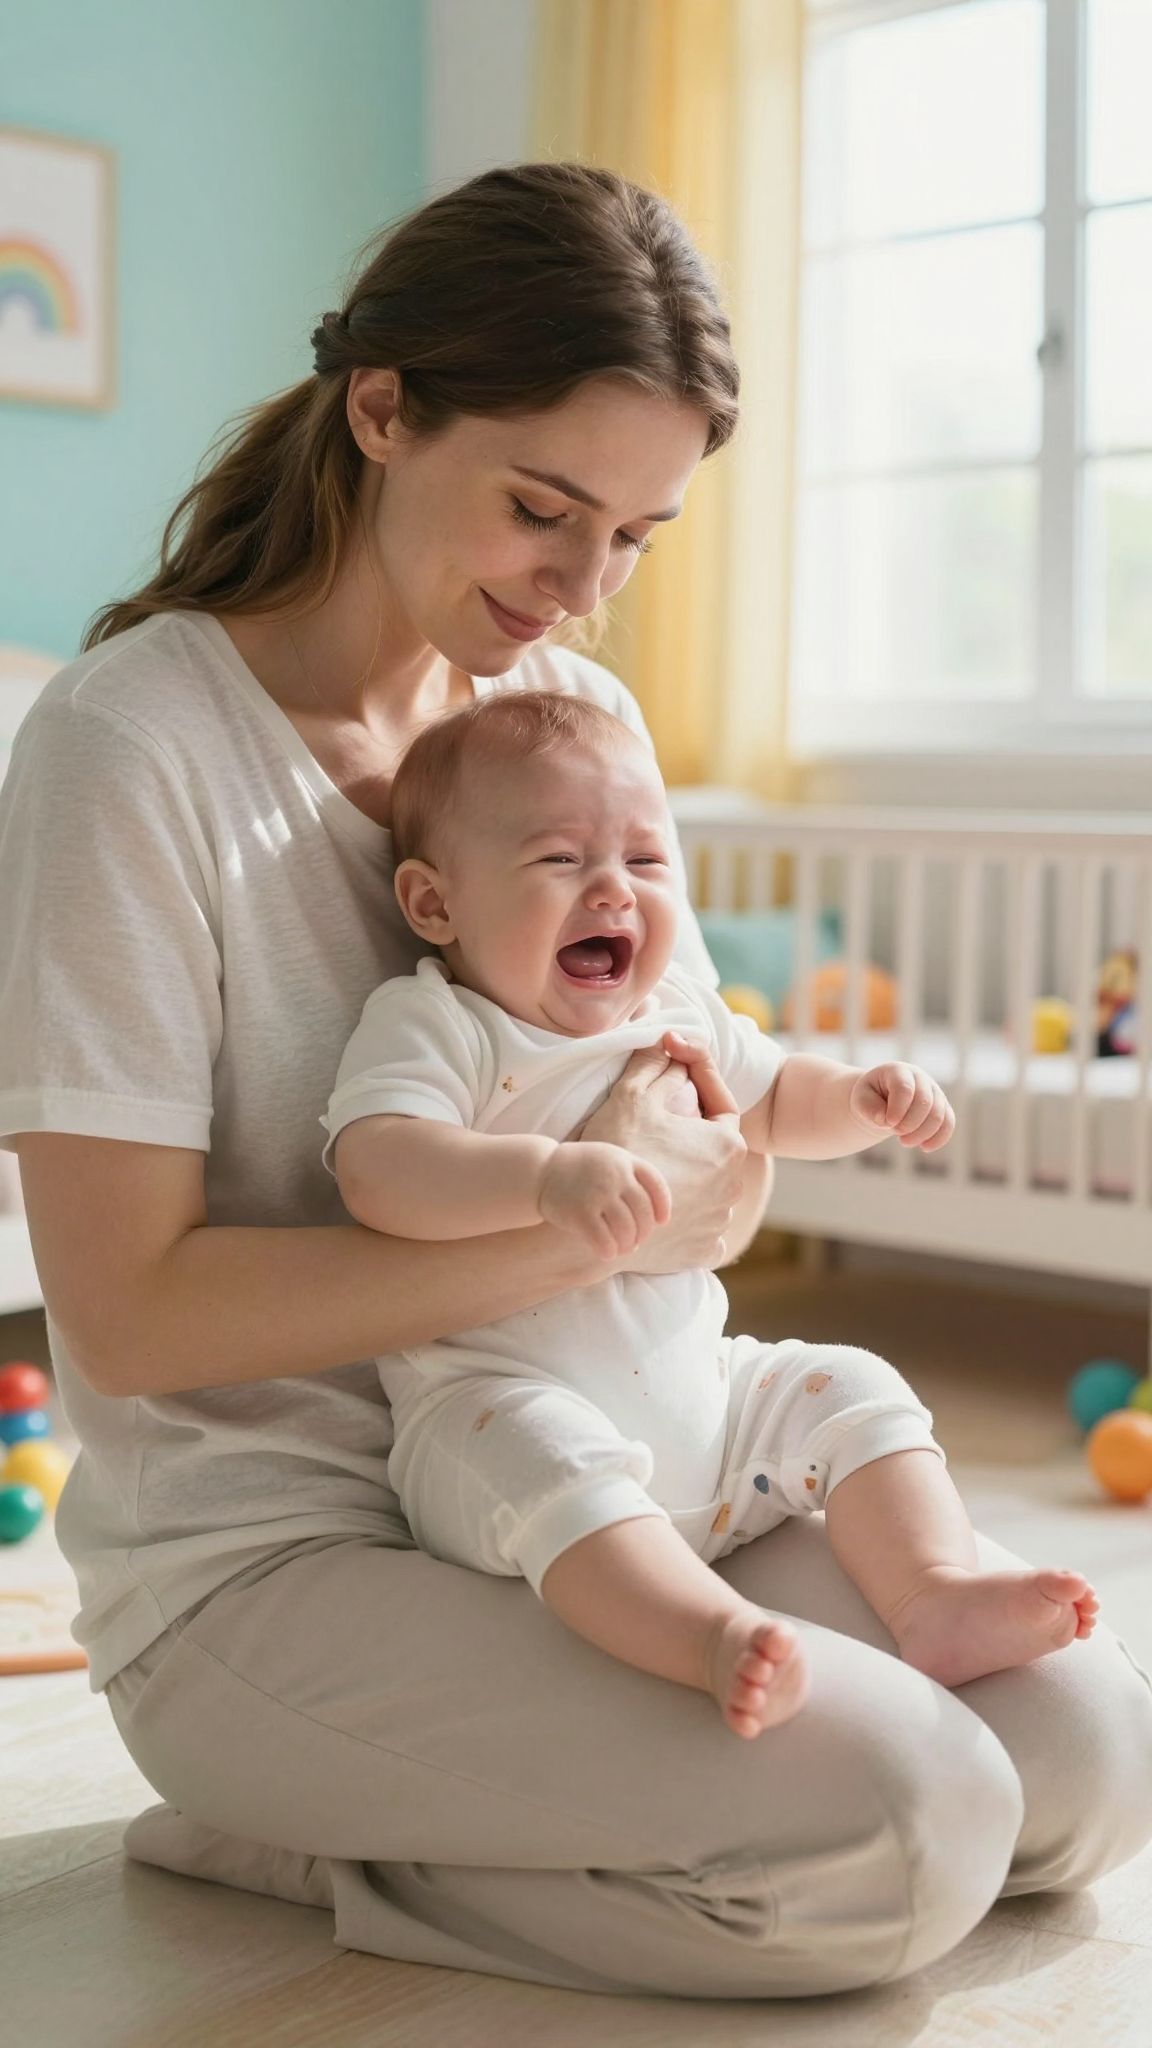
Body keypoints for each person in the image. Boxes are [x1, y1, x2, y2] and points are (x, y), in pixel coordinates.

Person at [0, 161, 1148, 2003]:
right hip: (280, 1557)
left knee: (1084, 1756)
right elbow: (128, 1319)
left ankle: (509, 1805)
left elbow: (714, 1159)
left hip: (632, 1480)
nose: (581, 586)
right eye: (544, 509)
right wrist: (568, 1225)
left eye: (634, 536)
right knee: (908, 1824)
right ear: (382, 409)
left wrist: (699, 1182)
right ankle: (290, 1820)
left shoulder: (571, 727)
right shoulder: (131, 750)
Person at [323, 688, 1098, 1741]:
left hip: (711, 1412)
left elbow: (776, 1098)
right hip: (501, 1400)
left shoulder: (676, 1010)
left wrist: (864, 1097)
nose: (613, 891)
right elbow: (379, 1167)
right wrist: (546, 1177)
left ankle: (934, 1595)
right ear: (435, 903)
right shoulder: (439, 1024)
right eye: (559, 860)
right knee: (540, 1455)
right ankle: (709, 1638)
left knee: (850, 1382)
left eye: (645, 861)